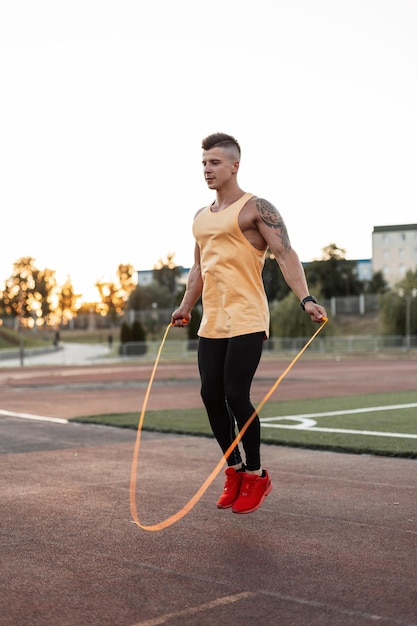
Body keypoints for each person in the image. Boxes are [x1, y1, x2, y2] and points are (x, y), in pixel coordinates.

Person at [171, 132, 327, 515]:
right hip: (213, 321)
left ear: (234, 165)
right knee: (210, 395)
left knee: (236, 394)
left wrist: (306, 299)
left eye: (215, 162)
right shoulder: (199, 217)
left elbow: (286, 254)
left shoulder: (256, 208)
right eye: (204, 163)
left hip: (247, 316)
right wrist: (185, 306)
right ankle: (235, 470)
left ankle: (257, 474)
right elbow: (198, 269)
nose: (207, 169)